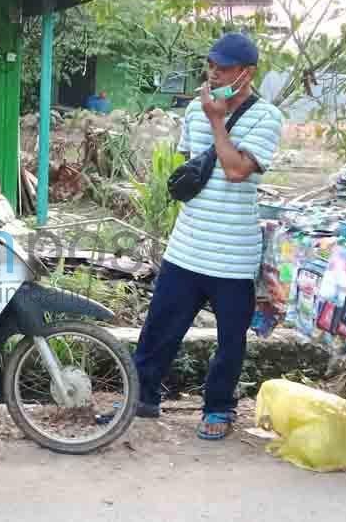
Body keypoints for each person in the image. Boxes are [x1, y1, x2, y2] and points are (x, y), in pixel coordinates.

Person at [132, 32, 284, 440]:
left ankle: (219, 407)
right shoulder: (195, 113)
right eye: (212, 65)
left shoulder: (266, 117)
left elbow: (236, 171)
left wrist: (218, 119)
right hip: (187, 244)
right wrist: (207, 116)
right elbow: (191, 168)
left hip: (233, 254)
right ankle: (141, 396)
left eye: (224, 68)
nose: (214, 73)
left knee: (229, 341)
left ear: (246, 74)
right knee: (159, 328)